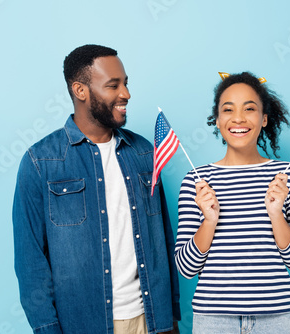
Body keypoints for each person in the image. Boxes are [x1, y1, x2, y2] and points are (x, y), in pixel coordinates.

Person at [12, 44, 180, 334]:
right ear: (80, 90)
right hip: (84, 325)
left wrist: (171, 317)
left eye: (126, 83)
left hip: (152, 320)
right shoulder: (41, 162)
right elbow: (31, 264)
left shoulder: (144, 153)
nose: (125, 93)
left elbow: (164, 239)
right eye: (113, 85)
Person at [174, 72, 290, 333]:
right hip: (213, 319)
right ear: (217, 120)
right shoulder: (197, 180)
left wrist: (276, 215)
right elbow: (186, 268)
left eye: (249, 109)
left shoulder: (289, 176)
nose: (238, 118)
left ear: (264, 119)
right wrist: (209, 221)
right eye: (228, 109)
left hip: (276, 318)